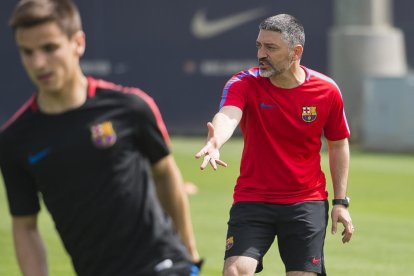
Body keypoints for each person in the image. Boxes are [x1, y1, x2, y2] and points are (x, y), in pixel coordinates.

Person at [0, 0, 202, 275]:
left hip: (161, 262)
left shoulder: (129, 106)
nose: (38, 63)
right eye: (28, 52)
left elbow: (165, 173)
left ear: (78, 43)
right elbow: (25, 225)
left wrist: (189, 253)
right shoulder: (15, 140)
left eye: (50, 48)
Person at [195, 14, 354, 276]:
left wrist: (340, 202)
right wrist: (216, 140)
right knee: (235, 271)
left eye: (271, 48)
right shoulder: (243, 83)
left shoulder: (327, 90)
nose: (261, 54)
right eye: (259, 45)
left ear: (296, 51)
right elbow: (228, 114)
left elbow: (338, 144)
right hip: (253, 198)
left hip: (306, 201)